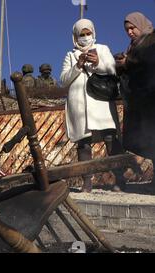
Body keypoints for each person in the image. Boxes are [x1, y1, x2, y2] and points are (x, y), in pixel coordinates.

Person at [60, 19, 127, 192]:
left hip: (101, 102)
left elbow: (112, 69)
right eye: (81, 34)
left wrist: (98, 62)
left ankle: (120, 178)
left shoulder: (103, 49)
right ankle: (87, 182)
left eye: (87, 33)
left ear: (93, 33)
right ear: (75, 36)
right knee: (84, 143)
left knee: (110, 138)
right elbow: (64, 81)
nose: (85, 37)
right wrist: (78, 65)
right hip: (79, 106)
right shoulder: (70, 55)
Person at [116, 12, 155, 189]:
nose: (130, 32)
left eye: (133, 28)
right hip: (140, 100)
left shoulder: (151, 39)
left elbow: (148, 60)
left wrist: (128, 62)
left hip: (151, 97)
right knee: (147, 141)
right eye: (127, 30)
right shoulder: (133, 46)